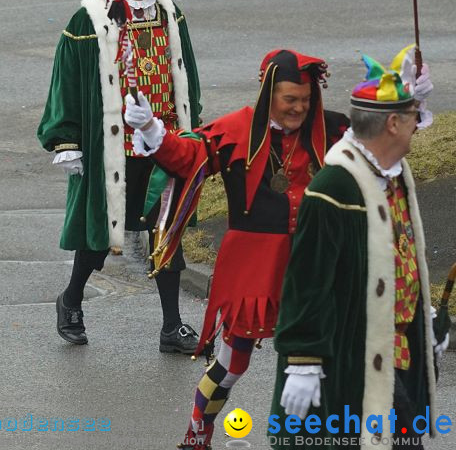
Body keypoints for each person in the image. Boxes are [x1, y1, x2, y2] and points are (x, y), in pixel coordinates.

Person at [127, 50, 358, 449]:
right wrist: (151, 128)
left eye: (305, 99)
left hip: (317, 263)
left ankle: (326, 439)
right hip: (253, 266)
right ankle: (197, 433)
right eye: (290, 100)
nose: (299, 108)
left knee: (329, 357)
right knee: (233, 363)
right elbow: (188, 158)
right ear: (270, 93)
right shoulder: (237, 129)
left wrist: (411, 107)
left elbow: (378, 148)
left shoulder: (333, 128)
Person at [37, 0, 203, 350]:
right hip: (115, 147)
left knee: (166, 230)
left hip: (164, 144)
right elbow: (65, 82)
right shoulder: (90, 19)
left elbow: (187, 73)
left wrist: (193, 129)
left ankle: (172, 327)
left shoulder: (169, 10)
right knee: (101, 233)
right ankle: (71, 299)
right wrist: (65, 139)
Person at [268, 47, 446, 448]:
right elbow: (307, 281)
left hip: (397, 354)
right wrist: (303, 361)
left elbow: (400, 257)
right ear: (393, 124)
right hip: (353, 358)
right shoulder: (334, 188)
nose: (421, 123)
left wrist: (424, 321)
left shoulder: (395, 174)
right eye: (414, 116)